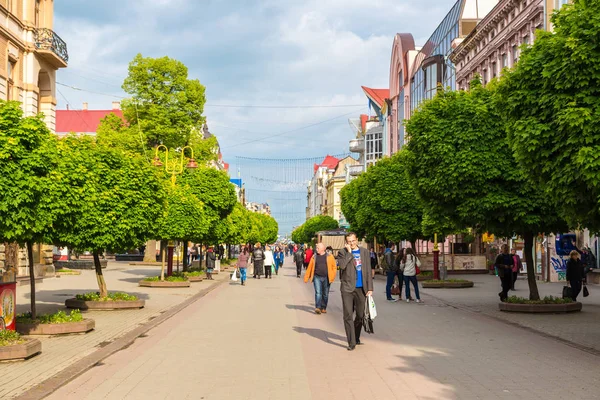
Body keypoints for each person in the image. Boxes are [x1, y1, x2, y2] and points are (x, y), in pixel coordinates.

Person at [336, 232, 373, 351]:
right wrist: (350, 253)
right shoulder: (342, 252)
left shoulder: (365, 252)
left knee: (361, 315)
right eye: (349, 241)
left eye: (353, 241)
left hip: (361, 288)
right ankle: (351, 342)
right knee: (348, 315)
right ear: (346, 242)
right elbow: (342, 266)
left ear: (357, 240)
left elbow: (367, 270)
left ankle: (356, 336)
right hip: (347, 288)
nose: (351, 243)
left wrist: (370, 288)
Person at [304, 243, 338, 314]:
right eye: (316, 248)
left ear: (323, 249)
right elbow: (310, 267)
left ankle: (323, 307)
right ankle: (318, 307)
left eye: (317, 248)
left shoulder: (330, 256)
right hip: (317, 277)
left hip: (327, 277)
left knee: (325, 294)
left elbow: (334, 267)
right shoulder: (314, 257)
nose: (316, 249)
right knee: (318, 292)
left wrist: (333, 275)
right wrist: (306, 277)